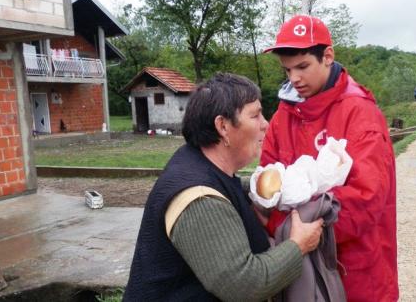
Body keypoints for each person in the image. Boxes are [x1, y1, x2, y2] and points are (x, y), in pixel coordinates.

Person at [123, 73, 324, 301]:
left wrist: (260, 190)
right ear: (223, 126)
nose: (265, 124)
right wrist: (298, 246)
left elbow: (228, 187)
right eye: (255, 115)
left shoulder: (198, 161)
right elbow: (243, 285)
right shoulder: (199, 200)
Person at [261, 15, 399, 301]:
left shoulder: (360, 114)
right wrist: (293, 235)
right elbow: (267, 186)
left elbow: (368, 196)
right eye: (287, 70)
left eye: (302, 67)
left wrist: (306, 229)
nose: (294, 78)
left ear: (327, 56)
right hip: (300, 274)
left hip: (357, 275)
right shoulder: (281, 118)